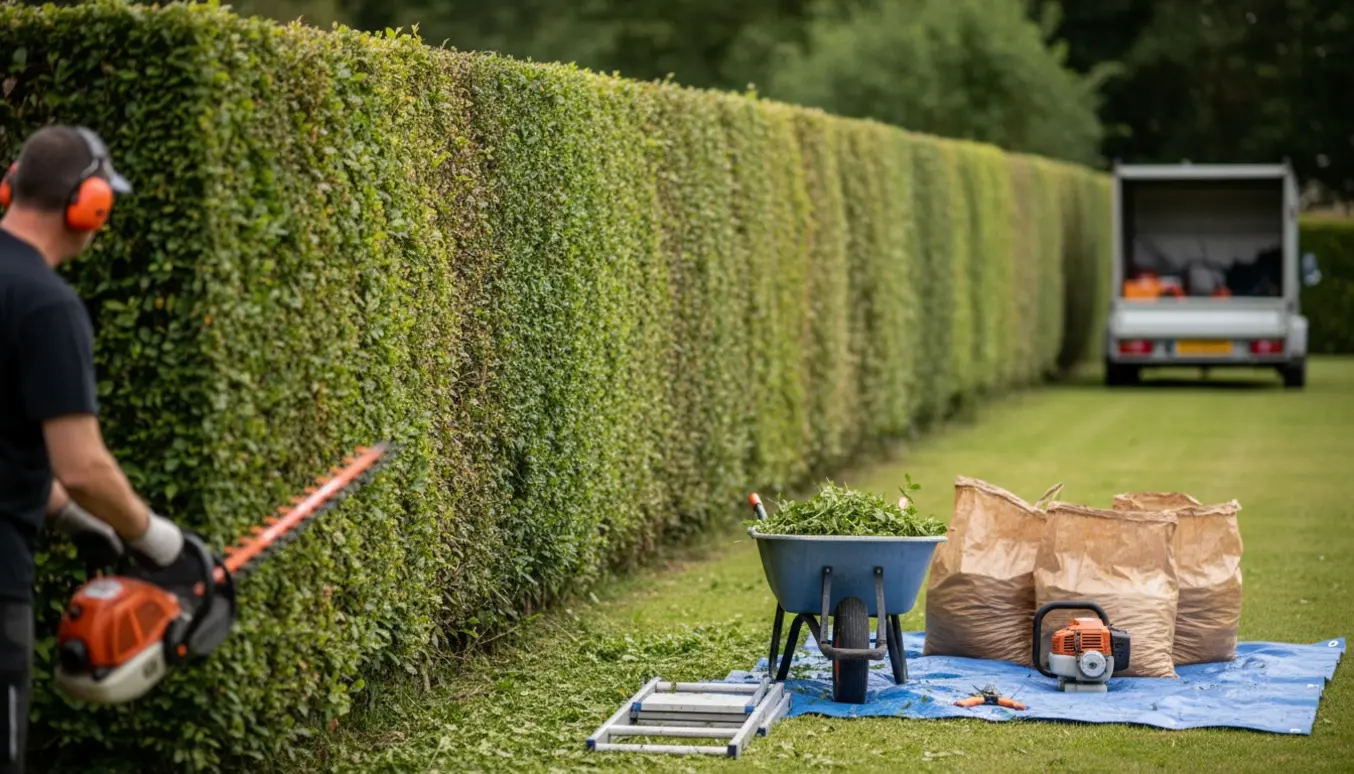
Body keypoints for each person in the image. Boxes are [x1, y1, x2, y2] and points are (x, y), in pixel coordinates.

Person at [1, 125, 190, 774]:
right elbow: (81, 464)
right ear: (87, 205)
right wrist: (155, 539)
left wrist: (75, 519)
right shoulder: (45, 306)